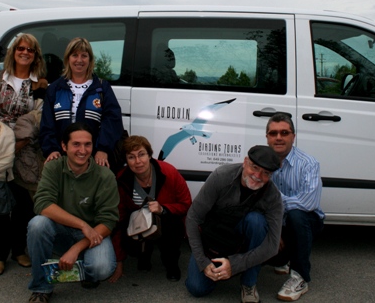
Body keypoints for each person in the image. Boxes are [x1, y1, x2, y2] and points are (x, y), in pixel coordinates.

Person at [0, 34, 48, 276]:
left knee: (23, 204)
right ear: (13, 52)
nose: (25, 52)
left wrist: (21, 140)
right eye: (21, 48)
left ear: (35, 55)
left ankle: (19, 250)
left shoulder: (40, 83)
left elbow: (38, 115)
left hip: (26, 149)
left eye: (30, 49)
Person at [26, 122, 119, 303]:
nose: (82, 150)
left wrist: (76, 248)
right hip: (62, 230)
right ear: (64, 146)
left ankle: (85, 269)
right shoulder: (53, 167)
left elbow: (108, 221)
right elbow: (42, 204)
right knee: (37, 225)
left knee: (101, 268)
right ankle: (41, 287)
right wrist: (82, 224)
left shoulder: (105, 176)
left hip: (92, 235)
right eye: (76, 144)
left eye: (87, 144)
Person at [185, 146, 283, 303]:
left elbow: (272, 246)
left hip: (241, 237)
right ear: (245, 162)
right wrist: (203, 262)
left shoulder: (273, 196)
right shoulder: (221, 176)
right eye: (255, 167)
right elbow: (192, 217)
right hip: (213, 236)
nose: (258, 176)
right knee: (197, 288)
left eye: (266, 173)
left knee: (256, 221)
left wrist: (235, 264)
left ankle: (249, 282)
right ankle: (216, 268)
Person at [108, 135, 192, 283]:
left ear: (149, 155)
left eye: (141, 154)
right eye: (131, 157)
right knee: (128, 235)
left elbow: (186, 203)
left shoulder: (169, 172)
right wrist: (119, 261)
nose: (138, 161)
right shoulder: (122, 179)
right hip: (138, 223)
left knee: (173, 228)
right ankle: (143, 255)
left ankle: (171, 264)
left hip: (165, 220)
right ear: (126, 161)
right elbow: (118, 217)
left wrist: (164, 208)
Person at [40, 37, 124, 172]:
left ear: (90, 60)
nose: (79, 60)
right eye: (75, 55)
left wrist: (103, 149)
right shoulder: (55, 89)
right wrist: (51, 149)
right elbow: (47, 123)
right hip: (62, 159)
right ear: (67, 59)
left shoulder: (102, 88)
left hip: (93, 159)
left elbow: (113, 120)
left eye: (84, 56)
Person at [265, 113, 324, 302]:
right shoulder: (261, 163)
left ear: (293, 136)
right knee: (274, 259)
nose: (279, 137)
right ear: (267, 137)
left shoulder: (308, 163)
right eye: (273, 133)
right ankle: (284, 259)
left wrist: (275, 202)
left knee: (297, 215)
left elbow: (308, 203)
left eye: (284, 132)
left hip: (305, 221)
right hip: (277, 223)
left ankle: (300, 277)